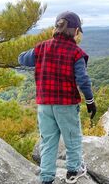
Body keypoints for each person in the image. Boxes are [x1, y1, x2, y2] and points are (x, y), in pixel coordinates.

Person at [18, 11, 96, 184]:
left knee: (48, 140)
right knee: (72, 138)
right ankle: (73, 171)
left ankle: (46, 177)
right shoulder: (76, 53)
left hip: (44, 104)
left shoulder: (41, 47)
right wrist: (90, 101)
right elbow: (83, 80)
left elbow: (22, 59)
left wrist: (37, 49)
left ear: (56, 27)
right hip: (66, 104)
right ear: (75, 31)